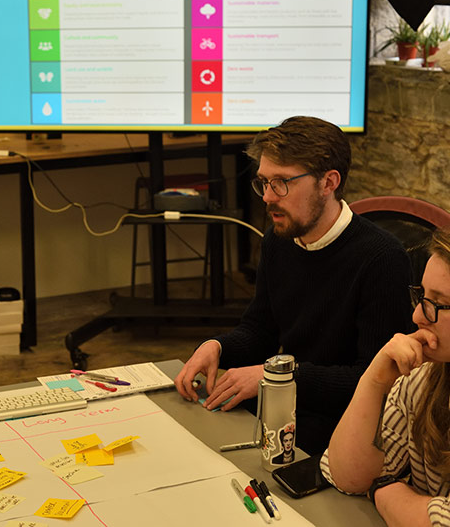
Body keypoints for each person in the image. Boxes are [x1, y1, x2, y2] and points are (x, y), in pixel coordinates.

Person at [174, 116, 413, 455]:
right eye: (264, 182)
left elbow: (376, 381)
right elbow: (261, 329)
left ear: (328, 182)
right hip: (288, 408)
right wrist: (217, 347)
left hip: (343, 428)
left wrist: (277, 378)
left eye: (282, 183)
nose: (268, 197)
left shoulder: (381, 258)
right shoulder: (280, 239)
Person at [323, 228, 450, 526]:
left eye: (438, 304)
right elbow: (348, 475)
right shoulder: (424, 377)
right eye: (421, 297)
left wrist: (385, 492)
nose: (418, 317)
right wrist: (375, 381)